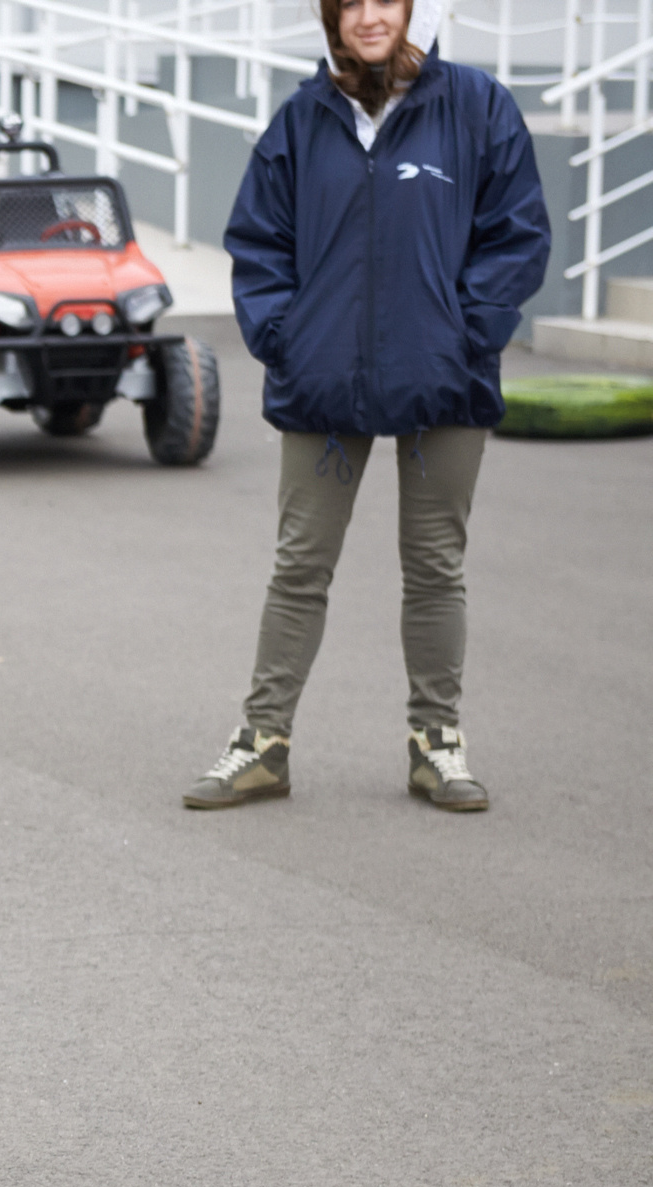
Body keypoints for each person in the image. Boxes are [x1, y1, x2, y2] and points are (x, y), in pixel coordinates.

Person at [188, 0, 547, 812]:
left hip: (445, 379)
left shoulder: (477, 107)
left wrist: (467, 334)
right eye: (350, 2)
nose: (369, 16)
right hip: (324, 381)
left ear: (413, 8)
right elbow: (258, 243)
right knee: (299, 567)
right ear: (331, 17)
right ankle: (262, 745)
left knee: (435, 567)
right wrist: (288, 340)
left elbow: (518, 233)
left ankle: (436, 745)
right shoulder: (301, 121)